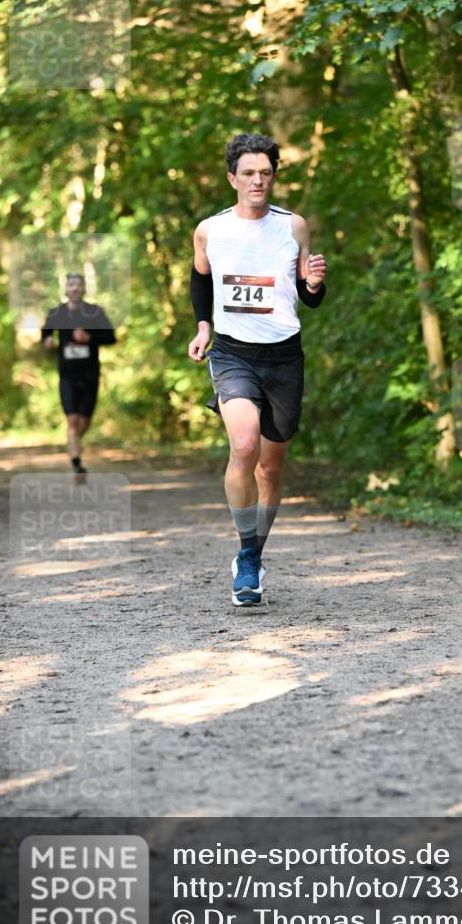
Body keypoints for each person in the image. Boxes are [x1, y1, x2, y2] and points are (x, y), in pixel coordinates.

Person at [189, 132, 327, 606]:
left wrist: (313, 284)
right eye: (248, 173)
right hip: (232, 353)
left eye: (265, 173)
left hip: (284, 354)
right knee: (244, 445)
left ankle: (255, 550)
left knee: (271, 467)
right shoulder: (210, 229)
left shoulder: (294, 227)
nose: (258, 180)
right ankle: (247, 557)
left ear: (273, 177)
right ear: (232, 178)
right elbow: (200, 278)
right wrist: (203, 326)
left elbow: (309, 298)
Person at [42, 273, 116, 480]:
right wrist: (47, 341)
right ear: (65, 289)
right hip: (67, 375)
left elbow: (111, 337)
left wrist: (89, 338)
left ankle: (74, 442)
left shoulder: (95, 312)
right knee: (73, 421)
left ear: (83, 289)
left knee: (85, 421)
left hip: (90, 374)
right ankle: (77, 464)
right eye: (71, 285)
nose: (74, 288)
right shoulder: (56, 313)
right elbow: (45, 335)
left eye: (78, 285)